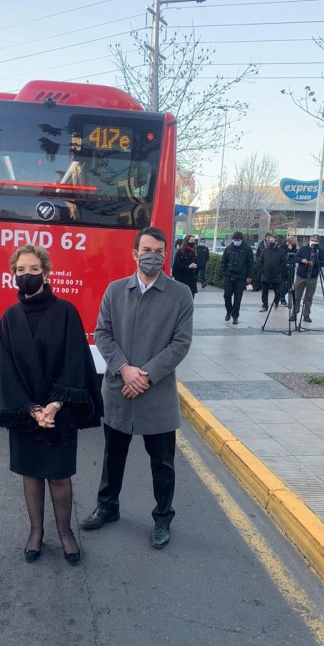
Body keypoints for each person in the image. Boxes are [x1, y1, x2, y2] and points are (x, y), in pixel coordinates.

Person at [0, 245, 102, 565]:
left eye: (33, 269)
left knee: (59, 475)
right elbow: (6, 370)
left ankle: (65, 533)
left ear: (46, 272)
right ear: (13, 274)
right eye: (21, 270)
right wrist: (31, 409)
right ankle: (36, 532)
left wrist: (53, 405)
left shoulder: (66, 311)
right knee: (32, 475)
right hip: (27, 415)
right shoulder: (9, 318)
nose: (27, 275)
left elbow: (75, 362)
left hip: (59, 411)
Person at [81, 227, 193, 549]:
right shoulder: (115, 291)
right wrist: (124, 369)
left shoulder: (180, 295)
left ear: (165, 254)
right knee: (112, 456)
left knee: (162, 463)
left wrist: (145, 375)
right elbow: (102, 333)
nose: (152, 255)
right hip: (119, 390)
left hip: (156, 395)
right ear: (134, 253)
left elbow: (181, 343)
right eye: (146, 249)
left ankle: (162, 519)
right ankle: (108, 506)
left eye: (159, 250)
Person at [291, 234, 324, 323]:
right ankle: (294, 313)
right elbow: (295, 258)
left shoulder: (321, 251)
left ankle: (306, 314)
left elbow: (323, 263)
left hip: (312, 277)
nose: (313, 241)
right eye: (312, 240)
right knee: (296, 296)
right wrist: (301, 260)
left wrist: (314, 262)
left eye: (315, 240)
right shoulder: (303, 249)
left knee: (309, 297)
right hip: (301, 276)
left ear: (318, 241)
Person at [220, 231, 254, 324]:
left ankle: (235, 316)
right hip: (229, 276)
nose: (236, 241)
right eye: (235, 240)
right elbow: (223, 262)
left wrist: (249, 275)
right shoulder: (228, 248)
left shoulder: (247, 248)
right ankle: (229, 311)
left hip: (241, 276)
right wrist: (224, 272)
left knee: (237, 298)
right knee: (227, 295)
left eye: (238, 240)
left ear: (241, 240)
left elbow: (250, 263)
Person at [258, 235, 286, 312]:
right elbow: (260, 261)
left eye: (273, 241)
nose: (271, 243)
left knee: (277, 292)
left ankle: (276, 302)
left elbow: (283, 263)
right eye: (270, 241)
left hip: (276, 275)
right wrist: (262, 270)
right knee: (264, 292)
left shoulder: (281, 251)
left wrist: (279, 271)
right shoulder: (265, 250)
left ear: (276, 242)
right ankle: (265, 306)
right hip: (265, 274)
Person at [277, 236, 297, 306]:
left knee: (290, 284)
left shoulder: (294, 247)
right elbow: (280, 255)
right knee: (283, 284)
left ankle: (280, 295)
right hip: (283, 267)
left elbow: (296, 256)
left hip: (292, 266)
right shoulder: (282, 247)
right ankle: (282, 299)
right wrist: (288, 249)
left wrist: (297, 250)